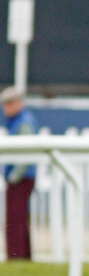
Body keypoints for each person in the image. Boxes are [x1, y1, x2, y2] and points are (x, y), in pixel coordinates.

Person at [1, 86, 38, 260]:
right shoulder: (18, 120)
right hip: (22, 178)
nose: (5, 108)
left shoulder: (24, 122)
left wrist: (14, 176)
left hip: (21, 179)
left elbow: (27, 153)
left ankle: (17, 257)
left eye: (9, 103)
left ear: (19, 103)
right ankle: (23, 257)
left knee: (15, 221)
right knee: (19, 219)